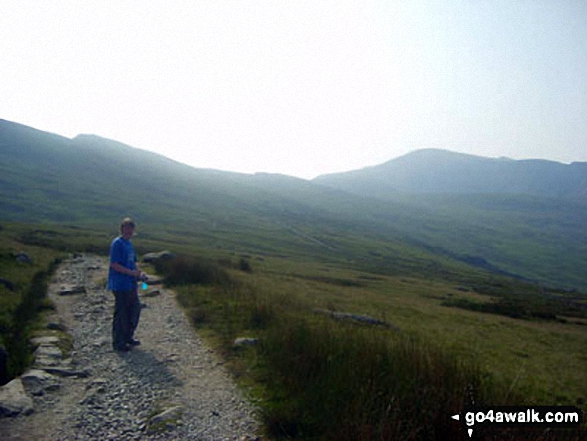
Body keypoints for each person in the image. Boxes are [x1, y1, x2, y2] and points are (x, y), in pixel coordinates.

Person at [107, 218, 146, 352]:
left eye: (131, 228)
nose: (129, 231)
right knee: (122, 313)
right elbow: (114, 264)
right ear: (122, 229)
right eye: (126, 228)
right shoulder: (117, 243)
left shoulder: (129, 244)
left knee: (134, 309)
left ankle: (128, 336)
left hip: (130, 284)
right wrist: (131, 273)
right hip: (120, 284)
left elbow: (133, 262)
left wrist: (139, 273)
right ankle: (119, 342)